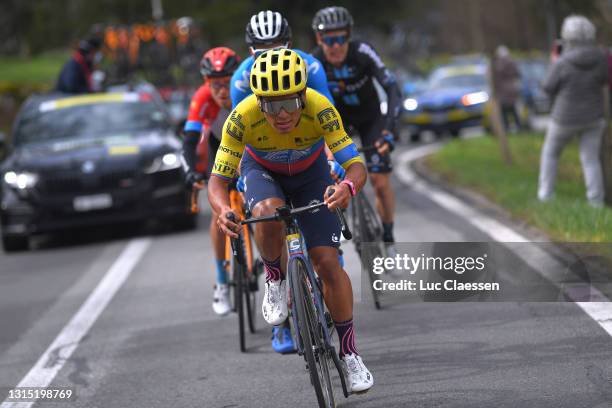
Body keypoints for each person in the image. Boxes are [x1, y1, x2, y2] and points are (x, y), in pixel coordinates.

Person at [208, 49, 374, 393]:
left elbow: (356, 166)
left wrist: (347, 186)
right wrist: (223, 209)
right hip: (262, 172)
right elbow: (217, 182)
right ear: (258, 101)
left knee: (328, 263)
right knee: (266, 212)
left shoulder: (320, 107)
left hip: (310, 176)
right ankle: (275, 277)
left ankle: (350, 354)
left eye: (289, 103)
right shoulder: (240, 117)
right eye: (270, 105)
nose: (281, 114)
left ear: (303, 95)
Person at [230, 10, 337, 354]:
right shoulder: (242, 79)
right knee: (268, 219)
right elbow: (240, 134)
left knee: (326, 252)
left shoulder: (310, 69)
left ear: (290, 45)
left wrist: (335, 158)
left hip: (308, 155)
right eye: (261, 50)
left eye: (276, 46)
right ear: (250, 52)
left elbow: (326, 114)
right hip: (264, 160)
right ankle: (280, 317)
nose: (270, 54)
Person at [311, 6, 402, 246]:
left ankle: (389, 237)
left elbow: (392, 88)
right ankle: (344, 218)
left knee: (380, 183)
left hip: (370, 119)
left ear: (349, 36)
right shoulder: (314, 62)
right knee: (334, 173)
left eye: (341, 38)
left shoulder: (363, 52)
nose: (335, 45)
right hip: (335, 124)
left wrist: (388, 130)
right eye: (328, 39)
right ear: (319, 39)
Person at [182, 47, 241, 315]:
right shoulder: (202, 98)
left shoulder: (246, 89)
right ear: (207, 83)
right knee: (219, 212)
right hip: (222, 148)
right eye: (215, 84)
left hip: (251, 143)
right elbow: (190, 141)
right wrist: (192, 171)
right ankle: (221, 282)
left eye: (227, 83)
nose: (221, 90)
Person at [538, 15, 609, 207]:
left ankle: (546, 196)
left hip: (564, 118)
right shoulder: (601, 58)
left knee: (551, 153)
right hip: (594, 117)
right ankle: (596, 201)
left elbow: (547, 87)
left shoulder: (562, 62)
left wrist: (554, 60)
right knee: (590, 159)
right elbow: (604, 80)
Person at [493, 45, 522, 132]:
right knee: (513, 110)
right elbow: (518, 74)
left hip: (503, 91)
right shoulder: (513, 62)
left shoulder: (498, 64)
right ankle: (518, 127)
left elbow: (496, 79)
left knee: (504, 111)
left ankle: (507, 128)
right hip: (512, 89)